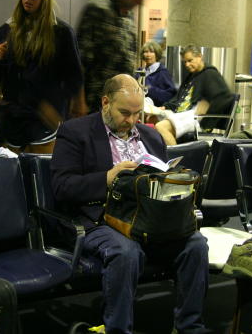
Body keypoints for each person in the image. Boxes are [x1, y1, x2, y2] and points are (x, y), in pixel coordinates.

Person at [51, 74, 208, 334]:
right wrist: (107, 178)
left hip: (149, 220)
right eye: (125, 113)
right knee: (126, 251)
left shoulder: (150, 135)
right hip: (100, 219)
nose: (132, 120)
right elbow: (61, 187)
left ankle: (190, 326)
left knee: (196, 245)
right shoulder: (76, 132)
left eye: (138, 114)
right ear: (105, 102)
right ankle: (118, 329)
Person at [0, 0, 85, 154]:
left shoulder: (62, 32)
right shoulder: (6, 31)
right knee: (13, 173)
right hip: (14, 117)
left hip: (45, 118)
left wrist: (66, 107)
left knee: (42, 173)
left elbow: (74, 76)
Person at [77, 0, 147, 112]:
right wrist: (80, 102)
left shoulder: (129, 15)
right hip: (96, 103)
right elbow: (80, 61)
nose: (140, 2)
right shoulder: (98, 9)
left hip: (121, 104)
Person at [155, 44, 233, 145]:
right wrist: (166, 106)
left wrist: (208, 109)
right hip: (185, 114)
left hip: (197, 118)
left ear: (200, 57)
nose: (187, 64)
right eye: (185, 62)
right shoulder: (192, 76)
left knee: (161, 127)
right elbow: (179, 97)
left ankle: (176, 158)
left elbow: (225, 97)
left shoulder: (210, 73)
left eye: (190, 60)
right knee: (153, 117)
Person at [136, 41, 176, 106]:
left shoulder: (163, 72)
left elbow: (170, 96)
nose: (148, 55)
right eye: (146, 52)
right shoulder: (139, 71)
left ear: (157, 54)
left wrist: (150, 89)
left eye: (151, 52)